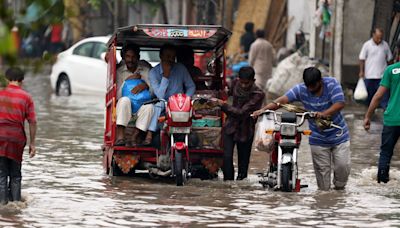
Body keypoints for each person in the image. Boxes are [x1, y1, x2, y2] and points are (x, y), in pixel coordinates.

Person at [253, 67, 351, 191]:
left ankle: (339, 190)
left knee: (343, 167)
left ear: (320, 81)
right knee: (323, 180)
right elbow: (281, 101)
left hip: (338, 134)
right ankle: (326, 198)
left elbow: (340, 103)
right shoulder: (301, 89)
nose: (310, 89)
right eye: (308, 86)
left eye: (313, 86)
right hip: (318, 137)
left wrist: (323, 114)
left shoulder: (332, 84)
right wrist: (263, 110)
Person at [211, 66, 265, 181]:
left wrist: (223, 105)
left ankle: (240, 189)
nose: (244, 85)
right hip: (230, 126)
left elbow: (241, 113)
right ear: (238, 79)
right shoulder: (235, 83)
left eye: (247, 83)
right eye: (242, 82)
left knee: (243, 166)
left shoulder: (258, 94)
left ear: (253, 81)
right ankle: (228, 186)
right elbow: (225, 91)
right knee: (226, 158)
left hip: (246, 129)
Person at [0, 67, 37, 205]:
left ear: (6, 79)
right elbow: (32, 122)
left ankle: (2, 208)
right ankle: (16, 207)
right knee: (15, 175)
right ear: (22, 81)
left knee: (1, 173)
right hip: (17, 139)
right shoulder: (26, 97)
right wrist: (32, 143)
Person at [363, 61, 400, 183]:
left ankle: (382, 186)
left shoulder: (391, 70)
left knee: (385, 154)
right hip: (391, 120)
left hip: (392, 120)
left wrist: (368, 116)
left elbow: (378, 95)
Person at [148, 43, 196, 134]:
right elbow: (160, 95)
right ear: (161, 56)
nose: (170, 60)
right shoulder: (153, 72)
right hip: (162, 108)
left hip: (180, 106)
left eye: (173, 57)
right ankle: (150, 133)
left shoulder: (181, 68)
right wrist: (165, 76)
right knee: (159, 105)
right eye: (168, 56)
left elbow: (191, 86)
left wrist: (186, 99)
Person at [115, 43, 154, 146]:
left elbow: (154, 92)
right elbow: (117, 96)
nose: (130, 60)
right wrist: (126, 81)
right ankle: (120, 136)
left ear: (138, 57)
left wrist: (145, 85)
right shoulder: (120, 72)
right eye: (128, 56)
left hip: (141, 107)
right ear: (124, 57)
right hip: (125, 107)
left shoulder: (146, 70)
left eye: (133, 57)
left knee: (150, 107)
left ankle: (135, 136)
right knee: (124, 100)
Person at [359, 28, 393, 108]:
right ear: (373, 35)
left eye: (381, 37)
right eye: (378, 37)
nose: (379, 39)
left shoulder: (385, 45)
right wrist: (361, 71)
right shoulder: (367, 45)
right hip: (369, 75)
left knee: (383, 97)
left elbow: (389, 59)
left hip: (382, 76)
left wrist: (390, 72)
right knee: (369, 97)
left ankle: (383, 112)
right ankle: (369, 112)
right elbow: (362, 59)